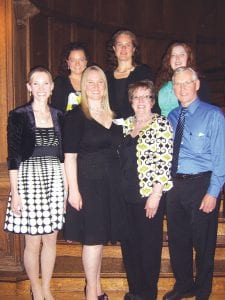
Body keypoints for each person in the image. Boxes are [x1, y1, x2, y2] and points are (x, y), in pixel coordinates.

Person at [63, 65, 127, 300]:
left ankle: (97, 288)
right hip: (88, 185)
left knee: (99, 240)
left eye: (100, 82)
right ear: (83, 86)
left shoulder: (115, 115)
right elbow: (69, 157)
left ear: (105, 86)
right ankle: (91, 292)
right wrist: (73, 191)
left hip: (111, 185)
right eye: (90, 82)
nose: (96, 86)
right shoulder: (75, 116)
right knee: (92, 240)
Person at [4, 67, 66, 300]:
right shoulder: (18, 115)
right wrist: (16, 193)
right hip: (28, 179)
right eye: (36, 84)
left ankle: (47, 287)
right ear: (29, 87)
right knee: (32, 242)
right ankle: (36, 288)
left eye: (45, 83)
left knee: (50, 240)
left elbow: (62, 157)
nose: (41, 88)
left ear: (52, 87)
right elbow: (13, 157)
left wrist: (65, 191)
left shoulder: (60, 115)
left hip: (54, 179)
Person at [163, 67, 225, 300]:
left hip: (202, 184)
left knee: (203, 243)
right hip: (175, 186)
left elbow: (221, 158)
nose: (181, 88)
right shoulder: (172, 117)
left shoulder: (213, 115)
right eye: (177, 84)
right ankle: (184, 285)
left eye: (186, 83)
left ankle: (202, 291)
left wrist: (213, 191)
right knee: (178, 241)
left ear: (197, 84)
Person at [119, 80, 173, 300]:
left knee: (149, 248)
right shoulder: (124, 125)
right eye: (136, 97)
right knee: (129, 246)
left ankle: (148, 294)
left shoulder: (161, 124)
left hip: (148, 197)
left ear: (152, 101)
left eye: (146, 97)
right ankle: (135, 292)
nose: (141, 101)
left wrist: (156, 194)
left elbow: (165, 161)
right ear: (131, 101)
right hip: (125, 196)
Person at [106, 29, 156, 119]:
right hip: (113, 128)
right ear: (114, 48)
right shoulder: (106, 75)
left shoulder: (144, 72)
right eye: (119, 44)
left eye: (127, 45)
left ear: (133, 49)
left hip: (138, 125)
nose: (123, 48)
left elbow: (152, 101)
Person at [155, 42, 211, 116]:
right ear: (169, 60)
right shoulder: (161, 81)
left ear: (188, 58)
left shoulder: (198, 82)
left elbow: (204, 112)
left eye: (182, 55)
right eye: (173, 55)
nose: (177, 58)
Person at [51, 42, 88, 112]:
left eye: (81, 60)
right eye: (73, 60)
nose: (77, 64)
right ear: (68, 62)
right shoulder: (60, 82)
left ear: (86, 62)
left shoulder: (92, 81)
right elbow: (56, 111)